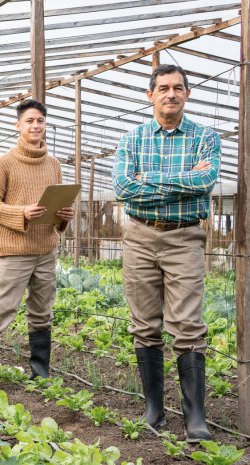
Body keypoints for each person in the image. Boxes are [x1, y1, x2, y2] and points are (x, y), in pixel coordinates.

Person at [113, 64, 219, 442]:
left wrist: (150, 183)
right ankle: (154, 408)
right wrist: (183, 182)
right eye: (163, 88)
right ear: (150, 95)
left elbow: (205, 181)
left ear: (187, 94)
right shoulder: (132, 139)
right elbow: (124, 187)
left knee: (188, 324)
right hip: (139, 237)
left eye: (177, 88)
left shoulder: (205, 137)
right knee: (144, 324)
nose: (170, 94)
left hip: (184, 237)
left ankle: (195, 418)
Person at [0, 99, 73, 387]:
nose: (36, 125)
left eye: (40, 120)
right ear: (18, 125)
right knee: (1, 309)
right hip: (15, 251)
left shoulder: (53, 165)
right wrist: (22, 213)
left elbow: (57, 207)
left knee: (42, 310)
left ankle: (40, 372)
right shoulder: (4, 163)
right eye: (30, 120)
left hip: (45, 250)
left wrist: (63, 216)